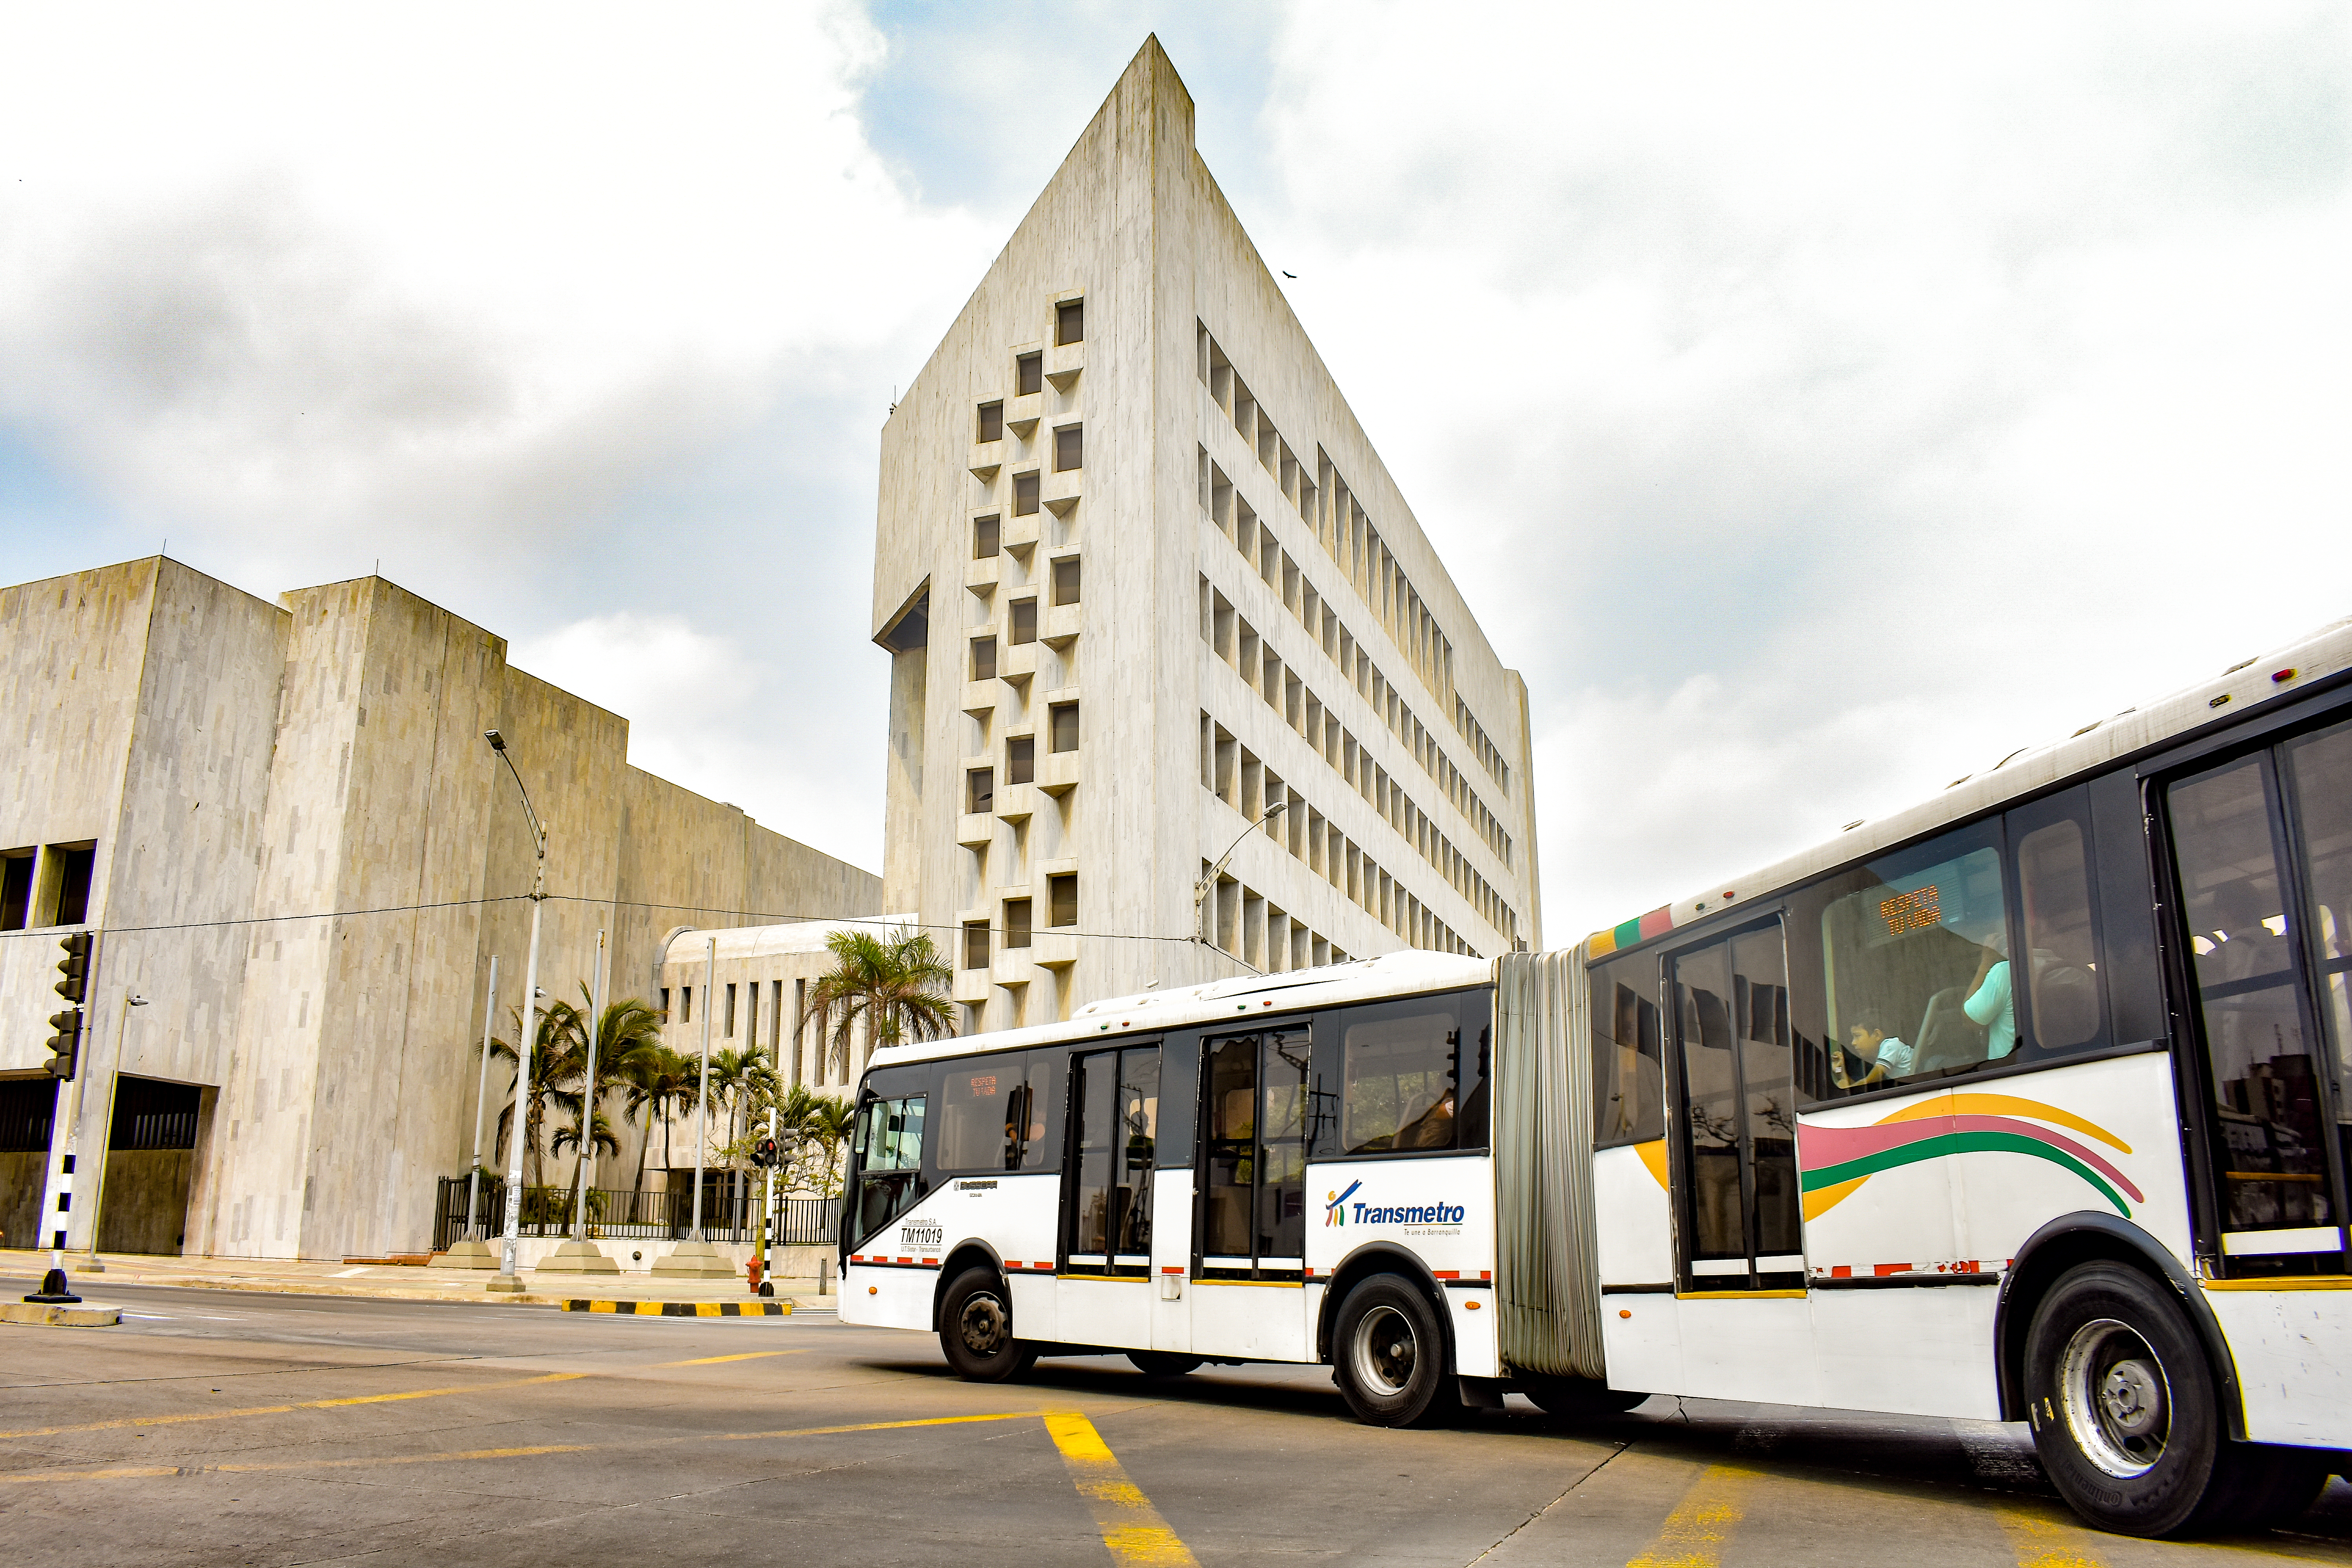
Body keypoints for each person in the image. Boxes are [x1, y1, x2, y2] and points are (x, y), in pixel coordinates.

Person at [1963, 937, 2017, 1060]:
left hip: (2007, 1069)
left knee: (1933, 1062)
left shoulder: (2005, 972)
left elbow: (1970, 1021)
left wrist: (1986, 962)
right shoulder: (2065, 969)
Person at [1840, 1009, 1915, 1084]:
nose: (1853, 1043)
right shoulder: (1881, 1057)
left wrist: (1845, 1088)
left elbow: (1868, 1083)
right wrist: (1841, 1072)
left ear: (1877, 1035)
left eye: (1858, 1036)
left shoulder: (1891, 1045)